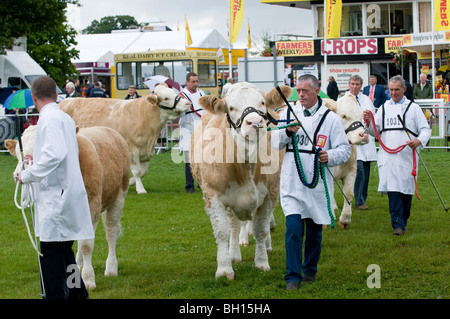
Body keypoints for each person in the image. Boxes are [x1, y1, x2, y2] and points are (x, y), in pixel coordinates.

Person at [16, 76, 94, 299]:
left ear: (33, 97)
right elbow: (58, 152)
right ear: (56, 94)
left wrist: (27, 174)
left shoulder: (48, 119)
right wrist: (36, 157)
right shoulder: (63, 118)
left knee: (51, 263)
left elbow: (55, 154)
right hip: (65, 196)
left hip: (57, 202)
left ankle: (56, 296)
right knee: (65, 257)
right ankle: (78, 295)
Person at [270, 74, 351, 290]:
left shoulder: (331, 119)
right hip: (292, 180)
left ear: (317, 91)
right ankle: (293, 277)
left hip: (317, 182)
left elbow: (345, 149)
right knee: (293, 228)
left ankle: (310, 270)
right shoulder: (288, 113)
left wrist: (329, 156)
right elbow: (273, 141)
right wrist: (286, 131)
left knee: (315, 230)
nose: (301, 94)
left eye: (306, 91)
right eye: (299, 90)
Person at [363, 75, 431, 236]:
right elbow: (376, 132)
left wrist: (418, 141)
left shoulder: (413, 108)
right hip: (388, 155)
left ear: (404, 89)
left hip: (407, 155)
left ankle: (403, 219)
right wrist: (368, 123)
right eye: (391, 90)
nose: (393, 93)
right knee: (392, 189)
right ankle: (397, 224)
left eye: (397, 90)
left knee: (406, 190)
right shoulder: (384, 108)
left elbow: (426, 130)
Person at [341, 75, 377, 210]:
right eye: (352, 84)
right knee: (359, 169)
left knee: (366, 172)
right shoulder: (343, 100)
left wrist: (369, 120)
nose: (354, 86)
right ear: (349, 85)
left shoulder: (366, 100)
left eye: (357, 84)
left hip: (366, 138)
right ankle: (359, 200)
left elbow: (373, 117)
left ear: (361, 86)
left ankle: (363, 197)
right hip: (352, 140)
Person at [179, 72, 205, 193]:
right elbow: (178, 114)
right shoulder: (181, 96)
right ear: (187, 82)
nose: (195, 84)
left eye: (197, 81)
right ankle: (189, 185)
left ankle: (202, 182)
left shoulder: (201, 93)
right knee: (189, 159)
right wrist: (184, 107)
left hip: (201, 128)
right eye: (193, 82)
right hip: (187, 129)